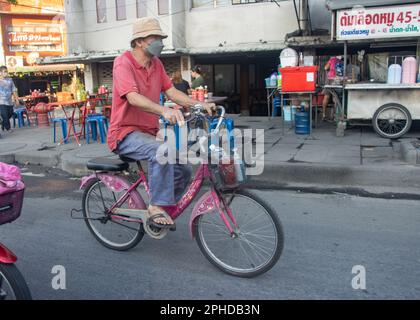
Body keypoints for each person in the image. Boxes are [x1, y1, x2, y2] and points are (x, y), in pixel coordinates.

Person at [108, 17, 216, 230]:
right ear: (140, 41)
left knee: (183, 169)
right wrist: (163, 110)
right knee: (162, 151)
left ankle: (165, 206)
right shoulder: (123, 62)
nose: (160, 42)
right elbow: (132, 97)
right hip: (124, 133)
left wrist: (199, 104)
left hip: (148, 133)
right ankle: (155, 207)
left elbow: (172, 92)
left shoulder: (156, 64)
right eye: (155, 38)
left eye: (160, 38)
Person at [321, 55, 343, 121]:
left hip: (330, 79)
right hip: (338, 80)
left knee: (326, 96)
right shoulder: (341, 62)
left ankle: (324, 114)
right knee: (335, 97)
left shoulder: (332, 59)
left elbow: (325, 68)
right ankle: (335, 116)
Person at [0, 66, 18, 136]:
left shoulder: (10, 80)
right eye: (4, 72)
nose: (5, 73)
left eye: (6, 71)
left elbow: (14, 90)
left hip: (9, 101)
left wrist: (16, 99)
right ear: (0, 73)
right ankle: (8, 128)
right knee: (4, 115)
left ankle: (3, 123)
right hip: (1, 101)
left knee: (10, 114)